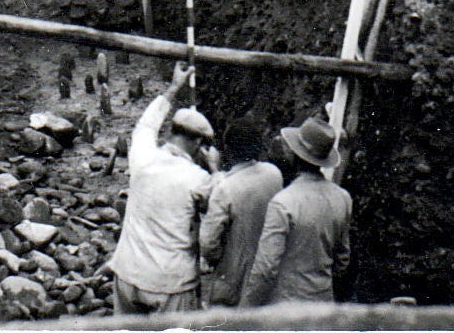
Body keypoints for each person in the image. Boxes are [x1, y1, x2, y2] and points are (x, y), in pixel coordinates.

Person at [111, 63, 214, 315]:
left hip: (127, 273)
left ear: (171, 132)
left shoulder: (143, 156)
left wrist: (175, 86)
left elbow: (146, 125)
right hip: (170, 284)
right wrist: (214, 167)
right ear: (199, 143)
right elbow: (221, 202)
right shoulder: (198, 178)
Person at [240, 117, 352, 308]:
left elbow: (266, 268)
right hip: (323, 302)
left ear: (293, 154)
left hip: (287, 306)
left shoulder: (283, 202)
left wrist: (245, 309)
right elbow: (342, 260)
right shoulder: (342, 197)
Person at [200, 117, 284, 307]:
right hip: (270, 267)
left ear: (228, 151)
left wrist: (217, 259)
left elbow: (207, 243)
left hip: (234, 272)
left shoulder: (225, 189)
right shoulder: (273, 174)